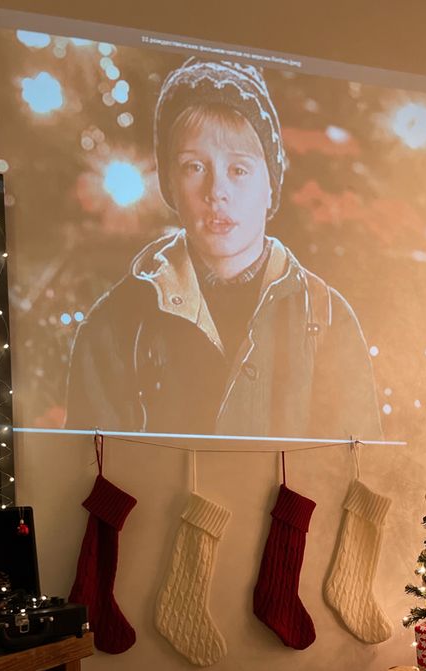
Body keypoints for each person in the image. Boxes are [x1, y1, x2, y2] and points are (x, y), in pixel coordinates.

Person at [65, 59, 382, 440]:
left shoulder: (327, 320)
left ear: (270, 186)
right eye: (194, 167)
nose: (216, 192)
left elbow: (355, 474)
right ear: (170, 184)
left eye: (239, 170)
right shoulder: (117, 324)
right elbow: (90, 475)